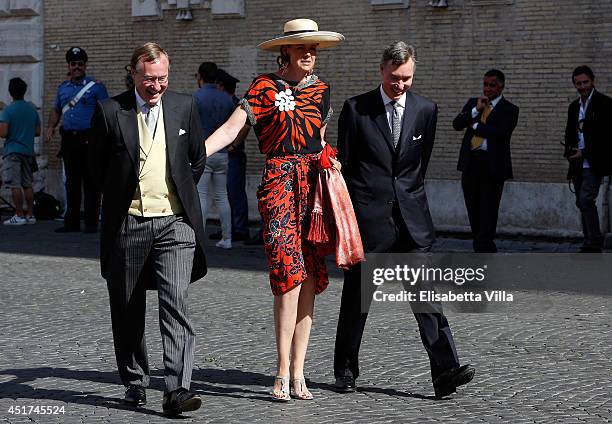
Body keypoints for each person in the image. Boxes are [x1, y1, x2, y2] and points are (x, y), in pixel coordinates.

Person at [204, 18, 344, 401]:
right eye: (302, 48)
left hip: (313, 188)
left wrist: (331, 164)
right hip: (279, 184)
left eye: (313, 49)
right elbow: (233, 130)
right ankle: (281, 369)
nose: (309, 55)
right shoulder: (263, 88)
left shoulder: (323, 92)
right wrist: (196, 155)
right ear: (286, 51)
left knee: (311, 276)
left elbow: (319, 139)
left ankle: (300, 371)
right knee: (288, 275)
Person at [333, 41, 475, 398]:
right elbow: (346, 168)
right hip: (370, 222)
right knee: (357, 301)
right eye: (395, 78)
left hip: (412, 221)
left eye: (407, 79)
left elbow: (416, 167)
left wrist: (406, 198)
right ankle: (345, 369)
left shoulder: (427, 110)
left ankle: (445, 371)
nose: (400, 85)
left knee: (427, 300)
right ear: (382, 70)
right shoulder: (356, 109)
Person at [89, 42, 206, 417]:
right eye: (149, 79)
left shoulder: (184, 105)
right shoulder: (110, 111)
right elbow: (95, 170)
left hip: (175, 224)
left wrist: (178, 198)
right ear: (133, 74)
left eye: (163, 78)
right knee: (127, 308)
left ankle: (177, 389)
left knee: (176, 303)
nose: (157, 86)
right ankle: (136, 379)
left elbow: (197, 160)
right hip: (128, 223)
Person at [453, 69, 519, 253]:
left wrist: (474, 124)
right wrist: (475, 110)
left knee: (489, 209)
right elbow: (457, 124)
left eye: (492, 85)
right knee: (473, 208)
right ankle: (481, 244)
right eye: (485, 85)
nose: (488, 89)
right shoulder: (474, 104)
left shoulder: (510, 109)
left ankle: (484, 246)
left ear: (501, 86)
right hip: (471, 163)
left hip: (493, 166)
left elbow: (500, 133)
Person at [46, 47, 109, 233]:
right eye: (73, 64)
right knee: (71, 182)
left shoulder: (96, 87)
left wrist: (103, 136)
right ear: (69, 66)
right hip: (69, 140)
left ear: (85, 65)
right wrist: (51, 126)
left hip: (89, 139)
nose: (77, 67)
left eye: (80, 64)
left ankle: (90, 223)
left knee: (91, 182)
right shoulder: (63, 88)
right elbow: (56, 109)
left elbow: (105, 111)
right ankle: (71, 222)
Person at [564, 65, 612, 253]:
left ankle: (594, 241)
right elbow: (569, 132)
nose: (582, 86)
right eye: (579, 83)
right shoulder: (573, 106)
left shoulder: (605, 104)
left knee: (585, 199)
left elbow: (606, 137)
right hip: (576, 163)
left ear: (592, 81)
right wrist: (570, 151)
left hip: (594, 162)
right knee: (580, 201)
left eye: (585, 82)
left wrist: (584, 152)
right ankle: (588, 240)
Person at [194, 62, 235, 249]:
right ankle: (227, 238)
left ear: (200, 76)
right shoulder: (227, 99)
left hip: (203, 151)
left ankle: (199, 238)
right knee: (222, 196)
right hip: (223, 152)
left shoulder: (196, 98)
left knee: (201, 195)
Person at [208, 68, 251, 242]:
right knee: (228, 192)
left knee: (234, 192)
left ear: (221, 86)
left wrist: (234, 144)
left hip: (234, 154)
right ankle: (231, 227)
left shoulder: (235, 104)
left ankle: (239, 228)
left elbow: (246, 125)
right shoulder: (231, 102)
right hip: (231, 154)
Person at [0, 77, 41, 226]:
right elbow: (37, 132)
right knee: (27, 184)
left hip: (13, 152)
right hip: (28, 151)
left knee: (14, 184)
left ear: (10, 92)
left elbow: (3, 133)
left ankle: (18, 215)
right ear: (25, 91)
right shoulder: (32, 109)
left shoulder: (7, 110)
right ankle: (30, 214)